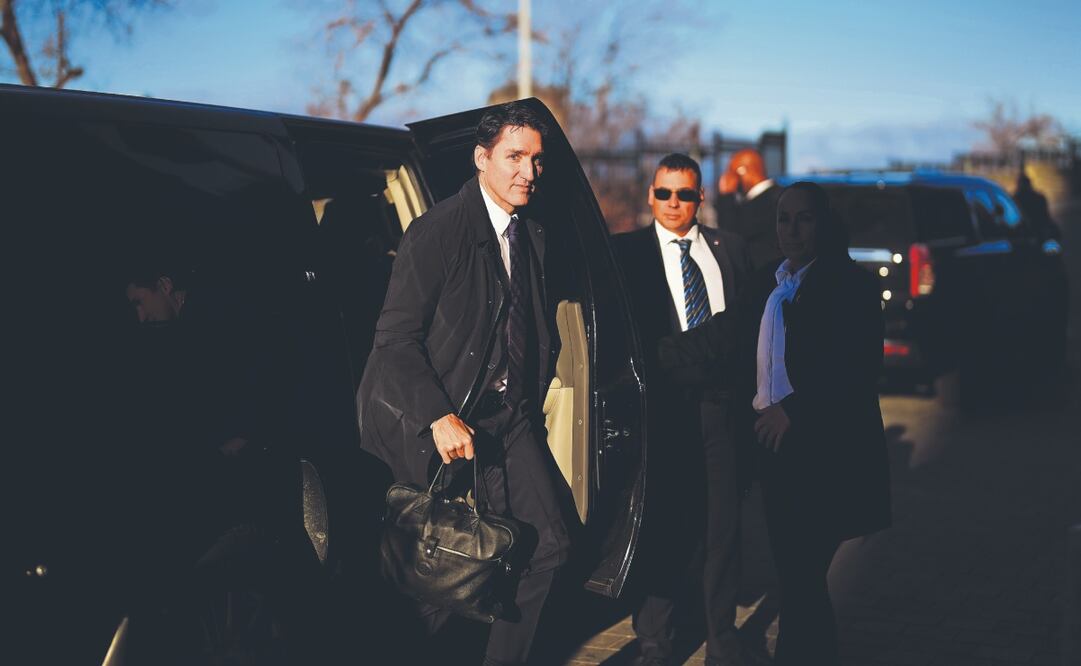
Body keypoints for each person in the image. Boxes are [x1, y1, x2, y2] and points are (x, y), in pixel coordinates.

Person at [356, 101, 569, 666]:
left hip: (509, 420)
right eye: (514, 157)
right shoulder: (438, 232)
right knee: (437, 578)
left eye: (536, 160)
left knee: (548, 545)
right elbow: (394, 341)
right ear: (482, 158)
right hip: (439, 423)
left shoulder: (532, 234)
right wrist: (438, 415)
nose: (528, 172)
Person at [612, 154, 755, 666]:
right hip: (663, 418)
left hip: (722, 414)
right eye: (665, 193)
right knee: (665, 530)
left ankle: (722, 640)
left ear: (700, 198)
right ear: (651, 196)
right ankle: (656, 644)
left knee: (723, 532)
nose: (675, 204)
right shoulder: (624, 255)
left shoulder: (729, 250)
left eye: (686, 194)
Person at [746, 181, 891, 664]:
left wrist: (793, 410)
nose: (791, 229)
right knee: (796, 579)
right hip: (778, 455)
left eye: (803, 218)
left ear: (824, 222)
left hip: (825, 454)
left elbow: (857, 368)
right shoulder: (774, 281)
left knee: (802, 578)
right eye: (783, 219)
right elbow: (727, 339)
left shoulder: (851, 285)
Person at [715, 149, 784, 270]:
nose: (728, 177)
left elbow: (731, 237)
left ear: (743, 171)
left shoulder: (766, 202)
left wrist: (726, 196)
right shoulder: (779, 195)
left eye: (731, 172)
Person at [1013, 167, 1061, 241]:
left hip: (1027, 232)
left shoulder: (1015, 199)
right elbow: (1046, 216)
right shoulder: (1039, 197)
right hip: (1038, 231)